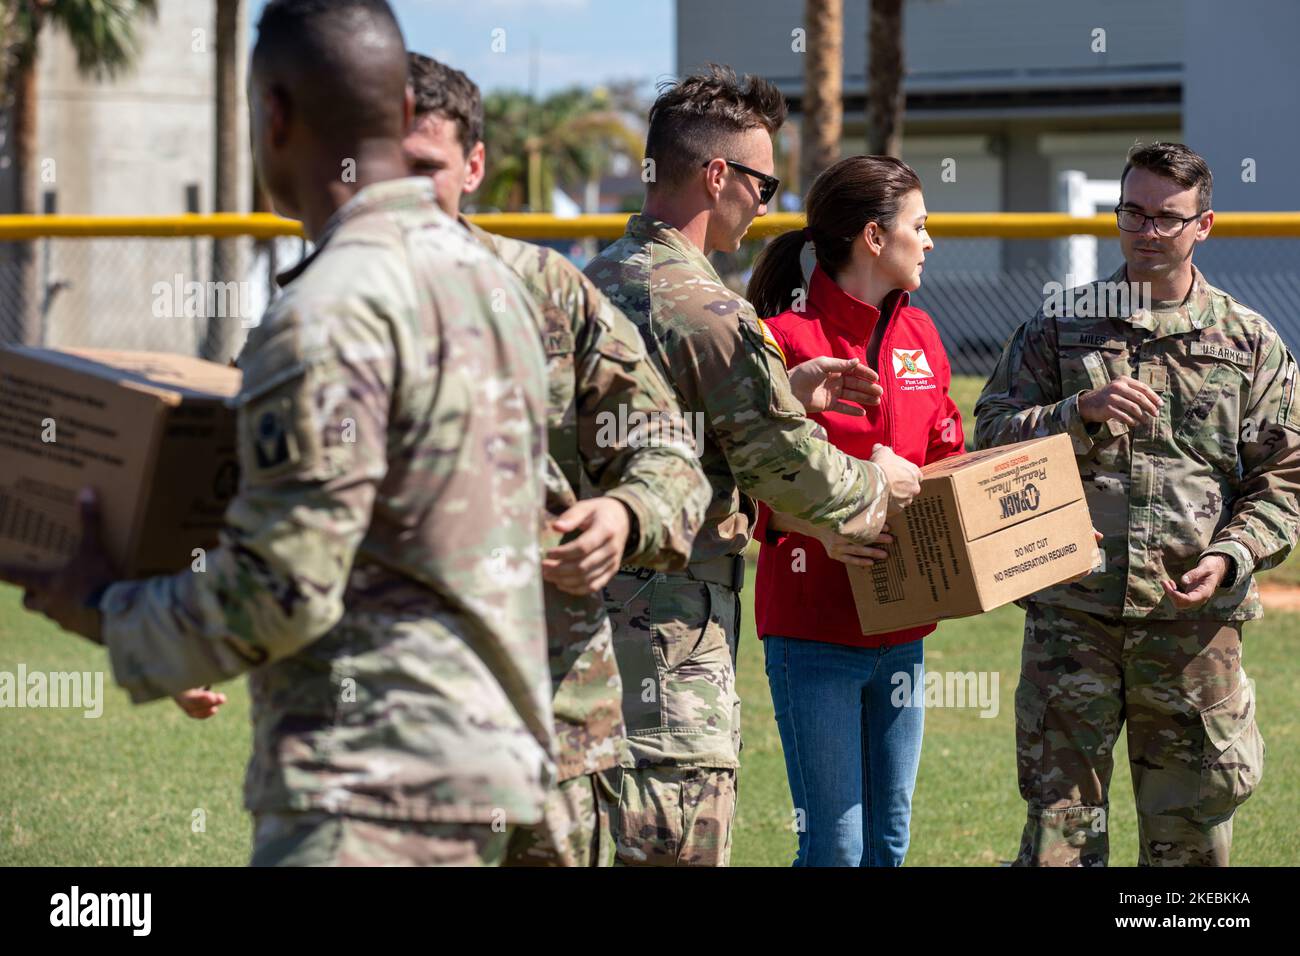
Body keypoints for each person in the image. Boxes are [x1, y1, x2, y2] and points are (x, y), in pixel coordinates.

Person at [1, 0, 557, 867]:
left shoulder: (329, 311)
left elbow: (284, 589)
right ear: (406, 116)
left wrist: (108, 609)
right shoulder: (492, 287)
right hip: (494, 775)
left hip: (369, 793)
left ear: (274, 117)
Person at [583, 64, 923, 866]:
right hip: (667, 644)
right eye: (763, 185)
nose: (767, 205)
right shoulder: (711, 313)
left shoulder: (586, 285)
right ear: (716, 175)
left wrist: (785, 389)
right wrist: (879, 482)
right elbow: (786, 475)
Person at [401, 52, 712, 866]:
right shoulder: (309, 308)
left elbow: (667, 448)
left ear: (472, 167)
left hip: (546, 716)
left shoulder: (546, 290)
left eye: (423, 168)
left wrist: (624, 512)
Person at [975, 142, 1300, 866]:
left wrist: (1232, 554)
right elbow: (989, 439)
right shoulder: (1061, 326)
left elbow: (1284, 478)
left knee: (1188, 846)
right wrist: (1076, 414)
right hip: (1071, 623)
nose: (1146, 232)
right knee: (1061, 842)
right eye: (1132, 213)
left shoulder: (1249, 344)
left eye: (1167, 218)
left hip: (1192, 634)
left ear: (1204, 224)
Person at [745, 155, 964, 866]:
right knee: (835, 848)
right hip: (813, 634)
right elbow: (743, 480)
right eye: (919, 226)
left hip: (903, 634)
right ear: (875, 237)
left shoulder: (924, 335)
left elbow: (948, 456)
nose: (929, 241)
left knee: (887, 844)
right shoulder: (780, 340)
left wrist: (1034, 525)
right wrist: (820, 525)